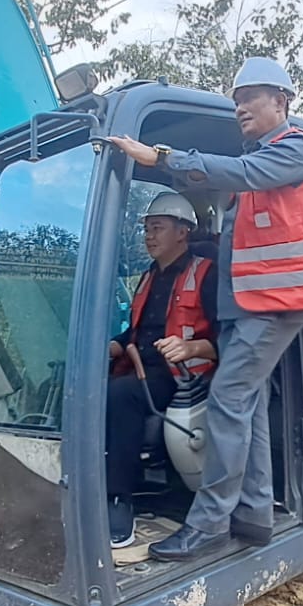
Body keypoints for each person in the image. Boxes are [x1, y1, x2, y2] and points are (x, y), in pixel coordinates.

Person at [109, 55, 303, 561]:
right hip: (250, 304)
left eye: (250, 97)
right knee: (245, 407)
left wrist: (159, 156)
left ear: (282, 100)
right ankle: (252, 515)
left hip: (275, 303)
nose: (241, 107)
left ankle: (208, 525)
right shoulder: (257, 173)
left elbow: (243, 171)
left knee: (227, 403)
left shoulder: (294, 149)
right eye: (236, 100)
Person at [103, 191, 218, 547]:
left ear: (183, 232)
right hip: (140, 364)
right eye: (147, 230)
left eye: (158, 228)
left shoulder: (207, 273)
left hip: (182, 375)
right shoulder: (149, 276)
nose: (149, 236)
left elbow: (231, 337)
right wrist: (115, 345)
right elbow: (137, 329)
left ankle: (118, 498)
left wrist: (190, 347)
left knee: (120, 395)